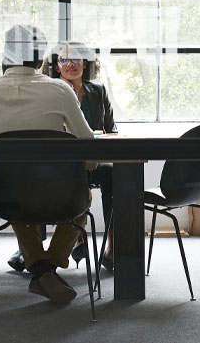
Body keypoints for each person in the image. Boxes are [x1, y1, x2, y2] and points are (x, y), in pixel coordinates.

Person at [0, 25, 94, 304]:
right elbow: (88, 145)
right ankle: (47, 268)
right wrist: (88, 164)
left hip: (8, 196)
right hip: (62, 194)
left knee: (14, 191)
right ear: (41, 57)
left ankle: (41, 270)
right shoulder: (59, 90)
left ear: (6, 53)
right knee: (82, 200)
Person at [41, 41, 117, 270]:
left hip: (93, 162)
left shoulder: (98, 91)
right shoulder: (49, 92)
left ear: (86, 62)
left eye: (76, 58)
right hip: (61, 165)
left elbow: (111, 130)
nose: (71, 64)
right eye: (64, 59)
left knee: (113, 174)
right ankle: (76, 237)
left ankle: (113, 246)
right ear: (56, 66)